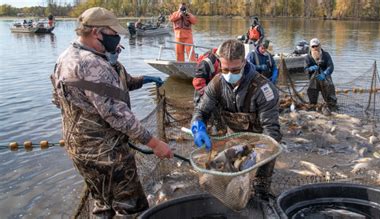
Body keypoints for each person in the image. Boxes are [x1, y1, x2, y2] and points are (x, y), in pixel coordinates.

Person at [50, 7, 172, 218]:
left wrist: (144, 80)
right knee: (131, 207)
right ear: (97, 32)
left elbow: (59, 99)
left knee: (102, 203)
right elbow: (117, 115)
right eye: (113, 33)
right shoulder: (92, 64)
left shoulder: (67, 56)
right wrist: (155, 143)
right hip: (107, 154)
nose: (117, 38)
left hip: (79, 150)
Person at [190, 39, 281, 201]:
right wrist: (198, 126)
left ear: (244, 62)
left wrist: (256, 157)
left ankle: (261, 195)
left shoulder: (264, 89)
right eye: (225, 69)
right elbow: (201, 111)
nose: (229, 74)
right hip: (233, 139)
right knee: (220, 181)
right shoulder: (216, 83)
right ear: (219, 63)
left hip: (261, 143)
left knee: (259, 190)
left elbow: (272, 132)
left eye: (235, 69)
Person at [304, 38, 337, 113]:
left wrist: (325, 73)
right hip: (313, 80)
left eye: (316, 46)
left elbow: (331, 66)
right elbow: (305, 70)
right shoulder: (307, 57)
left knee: (331, 99)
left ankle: (333, 109)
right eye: (313, 46)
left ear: (320, 45)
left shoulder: (326, 55)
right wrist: (310, 69)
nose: (315, 48)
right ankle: (313, 109)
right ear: (310, 47)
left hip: (325, 79)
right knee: (312, 101)